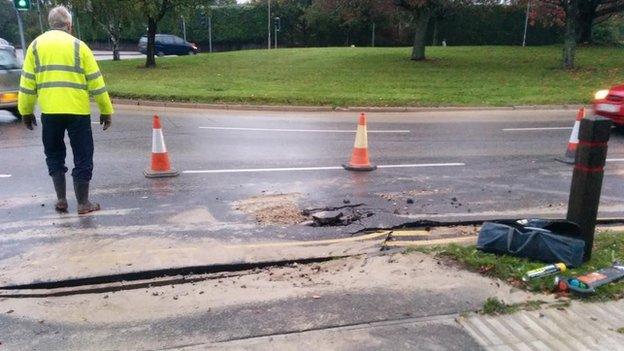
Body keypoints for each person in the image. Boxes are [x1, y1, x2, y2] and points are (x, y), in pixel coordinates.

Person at [18, 5, 113, 214]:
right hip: (78, 113)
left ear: (50, 24)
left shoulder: (35, 47)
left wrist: (25, 111)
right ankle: (83, 203)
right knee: (83, 156)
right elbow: (96, 83)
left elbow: (27, 84)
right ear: (69, 25)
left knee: (53, 154)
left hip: (50, 113)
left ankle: (61, 200)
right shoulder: (79, 47)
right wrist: (106, 110)